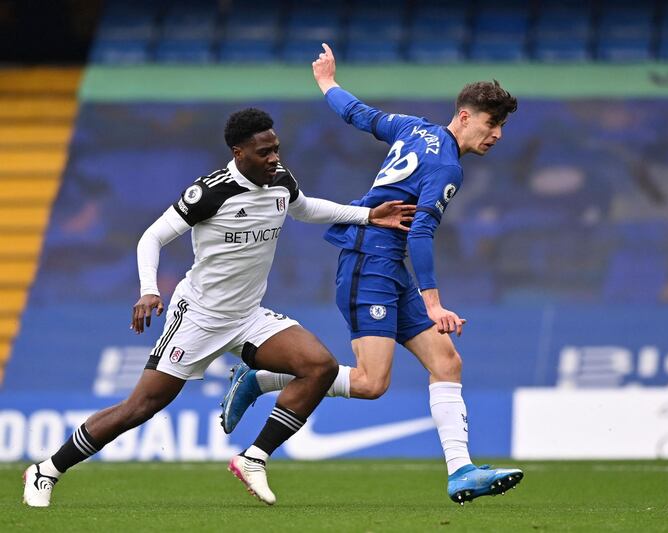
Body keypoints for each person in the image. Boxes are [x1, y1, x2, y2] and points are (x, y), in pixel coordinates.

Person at [22, 107, 415, 508]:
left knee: (319, 366)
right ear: (238, 152)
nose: (274, 158)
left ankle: (254, 458)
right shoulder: (209, 192)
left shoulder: (280, 180)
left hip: (247, 316)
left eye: (276, 149)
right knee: (141, 407)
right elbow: (152, 238)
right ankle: (47, 469)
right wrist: (148, 289)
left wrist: (367, 215)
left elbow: (305, 208)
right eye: (264, 152)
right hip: (199, 317)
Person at [220, 44, 523, 505]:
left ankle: (460, 471)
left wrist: (327, 83)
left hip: (387, 267)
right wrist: (434, 302)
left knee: (447, 363)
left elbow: (360, 114)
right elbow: (421, 232)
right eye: (491, 123)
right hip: (370, 264)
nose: (497, 134)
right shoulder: (446, 166)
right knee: (370, 383)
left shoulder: (414, 128)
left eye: (501, 126)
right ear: (464, 116)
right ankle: (261, 383)